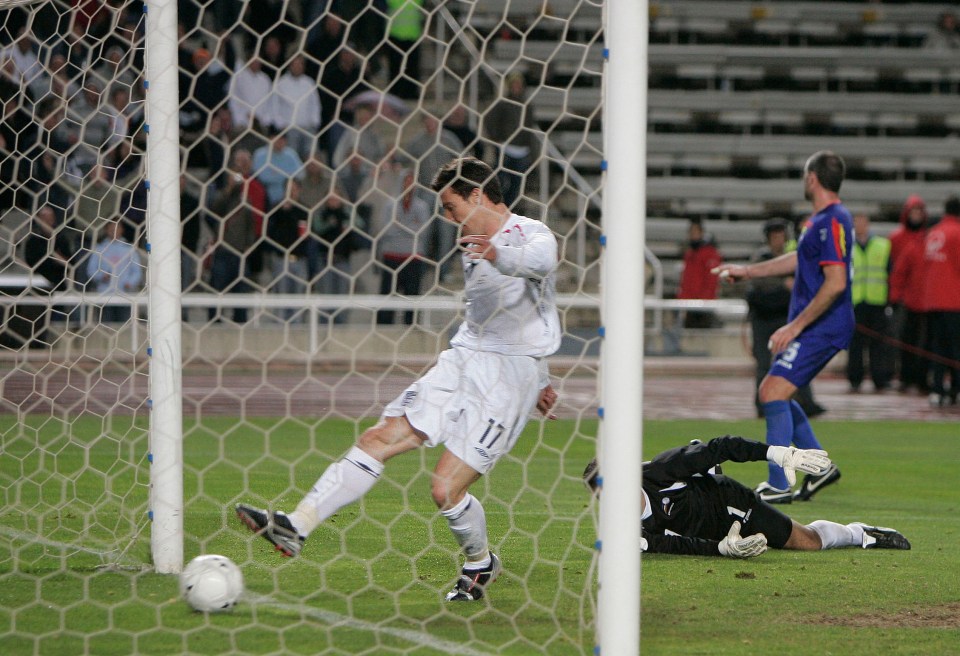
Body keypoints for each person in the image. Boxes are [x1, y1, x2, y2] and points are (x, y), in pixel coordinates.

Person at [237, 157, 562, 602]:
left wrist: (537, 372)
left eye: (450, 206)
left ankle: (479, 562)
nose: (446, 217)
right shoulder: (469, 243)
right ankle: (297, 525)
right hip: (464, 357)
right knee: (380, 437)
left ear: (476, 195)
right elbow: (511, 311)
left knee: (445, 489)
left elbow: (541, 265)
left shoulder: (529, 232)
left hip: (509, 377)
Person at [713, 151, 852, 504]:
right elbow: (799, 261)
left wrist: (795, 325)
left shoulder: (833, 220)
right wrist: (748, 271)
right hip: (815, 325)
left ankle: (779, 483)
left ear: (812, 179)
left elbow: (835, 282)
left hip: (823, 326)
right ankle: (820, 467)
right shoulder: (818, 221)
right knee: (775, 391)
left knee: (772, 392)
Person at [582, 436, 911, 557]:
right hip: (711, 532)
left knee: (805, 541)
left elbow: (721, 446)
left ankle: (861, 533)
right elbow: (675, 546)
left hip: (727, 502)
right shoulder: (628, 531)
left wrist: (778, 454)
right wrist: (722, 549)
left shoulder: (662, 470)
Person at [746, 219, 825, 418]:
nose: (778, 240)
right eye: (774, 237)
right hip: (764, 318)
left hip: (787, 318)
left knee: (797, 361)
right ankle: (762, 404)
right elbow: (758, 284)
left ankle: (805, 402)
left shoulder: (793, 259)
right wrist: (783, 285)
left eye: (780, 236)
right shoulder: (762, 258)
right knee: (764, 364)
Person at [375, 170, 433, 325]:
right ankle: (383, 329)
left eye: (412, 181)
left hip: (413, 257)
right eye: (406, 181)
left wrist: (399, 225)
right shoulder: (390, 205)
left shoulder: (422, 206)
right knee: (387, 298)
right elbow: (386, 229)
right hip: (391, 256)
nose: (409, 185)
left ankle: (411, 329)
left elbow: (423, 231)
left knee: (412, 298)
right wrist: (411, 227)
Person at [921, 196, 960, 407]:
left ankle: (936, 389)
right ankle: (956, 388)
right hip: (954, 300)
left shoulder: (933, 232)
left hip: (933, 300)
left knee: (937, 347)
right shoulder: (957, 233)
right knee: (956, 348)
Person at [847, 213, 893, 393]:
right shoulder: (847, 246)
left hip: (877, 301)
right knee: (855, 343)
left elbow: (890, 272)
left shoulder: (883, 245)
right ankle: (855, 377)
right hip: (855, 301)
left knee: (878, 343)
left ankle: (880, 378)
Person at [888, 195, 930, 394]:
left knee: (923, 342)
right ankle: (905, 376)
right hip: (907, 299)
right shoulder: (896, 239)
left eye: (919, 211)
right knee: (905, 340)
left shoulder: (929, 239)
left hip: (926, 300)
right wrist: (894, 296)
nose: (916, 215)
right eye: (913, 211)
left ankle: (920, 377)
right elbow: (895, 271)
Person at [85, 220, 143, 323]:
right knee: (105, 327)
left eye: (116, 228)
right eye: (111, 228)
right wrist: (102, 276)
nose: (114, 231)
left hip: (125, 296)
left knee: (125, 328)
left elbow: (137, 271)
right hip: (104, 295)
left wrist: (130, 283)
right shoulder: (99, 249)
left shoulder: (129, 249)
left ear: (122, 230)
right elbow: (91, 270)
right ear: (106, 229)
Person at [677, 218, 722, 329]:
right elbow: (686, 279)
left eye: (695, 232)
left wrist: (705, 301)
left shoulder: (710, 253)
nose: (693, 235)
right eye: (691, 232)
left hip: (704, 305)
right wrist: (684, 300)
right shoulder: (689, 254)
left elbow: (712, 280)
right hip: (690, 304)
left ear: (701, 233)